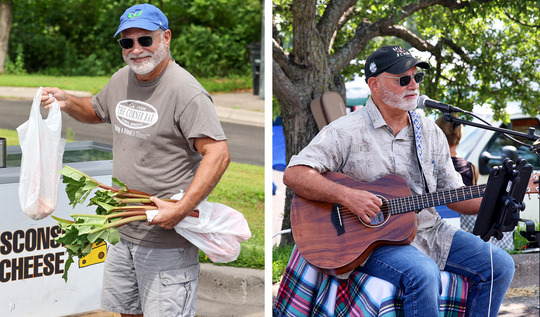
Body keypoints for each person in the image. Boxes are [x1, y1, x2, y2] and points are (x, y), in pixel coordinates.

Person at [278, 45, 514, 316]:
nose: (413, 85)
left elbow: (455, 194)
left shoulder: (429, 132)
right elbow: (295, 173)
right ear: (374, 84)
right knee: (423, 274)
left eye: (417, 77)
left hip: (430, 230)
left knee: (501, 266)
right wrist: (348, 196)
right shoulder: (346, 131)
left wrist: (503, 194)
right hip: (372, 241)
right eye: (403, 79)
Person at [41, 4, 230, 317]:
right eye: (127, 43)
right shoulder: (122, 79)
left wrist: (181, 209)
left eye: (145, 40)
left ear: (166, 38)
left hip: (166, 242)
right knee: (126, 312)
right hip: (122, 232)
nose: (136, 49)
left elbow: (218, 153)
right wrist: (67, 102)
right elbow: (98, 109)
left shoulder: (186, 92)